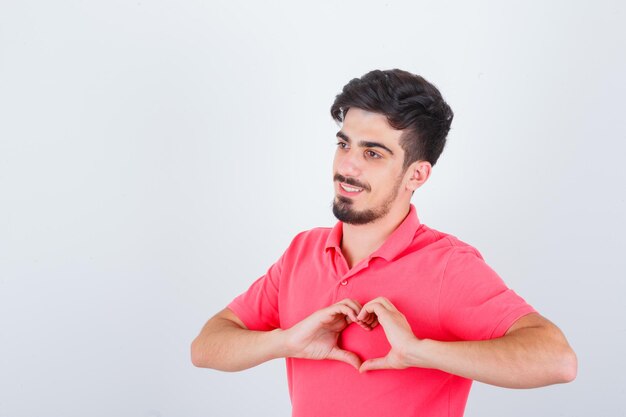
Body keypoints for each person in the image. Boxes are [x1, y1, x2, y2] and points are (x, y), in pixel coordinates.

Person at [191, 69, 577, 417]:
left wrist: (419, 352)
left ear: (417, 175)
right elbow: (206, 346)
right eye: (344, 145)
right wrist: (287, 341)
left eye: (372, 153)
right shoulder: (302, 252)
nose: (347, 166)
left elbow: (557, 360)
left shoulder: (447, 265)